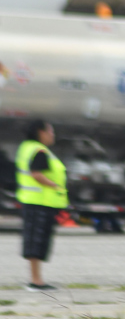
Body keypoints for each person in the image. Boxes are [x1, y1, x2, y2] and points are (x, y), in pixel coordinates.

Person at [16, 119, 67, 291]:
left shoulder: (27, 147)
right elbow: (36, 174)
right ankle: (36, 281)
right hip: (39, 202)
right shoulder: (39, 150)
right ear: (41, 132)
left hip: (36, 202)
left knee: (35, 242)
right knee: (37, 243)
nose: (52, 135)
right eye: (50, 131)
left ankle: (36, 279)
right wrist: (55, 185)